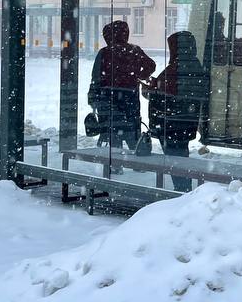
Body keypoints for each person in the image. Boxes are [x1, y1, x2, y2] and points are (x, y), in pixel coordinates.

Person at [146, 31, 209, 192]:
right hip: (186, 122)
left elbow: (164, 92)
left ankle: (182, 189)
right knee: (182, 155)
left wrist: (151, 88)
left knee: (175, 158)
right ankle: (184, 187)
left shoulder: (175, 68)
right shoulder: (196, 65)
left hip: (170, 123)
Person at [87, 20, 156, 151]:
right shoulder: (134, 50)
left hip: (108, 97)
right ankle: (137, 160)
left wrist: (93, 98)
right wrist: (139, 75)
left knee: (113, 131)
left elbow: (95, 78)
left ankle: (115, 164)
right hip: (130, 96)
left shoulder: (104, 53)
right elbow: (151, 65)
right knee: (132, 127)